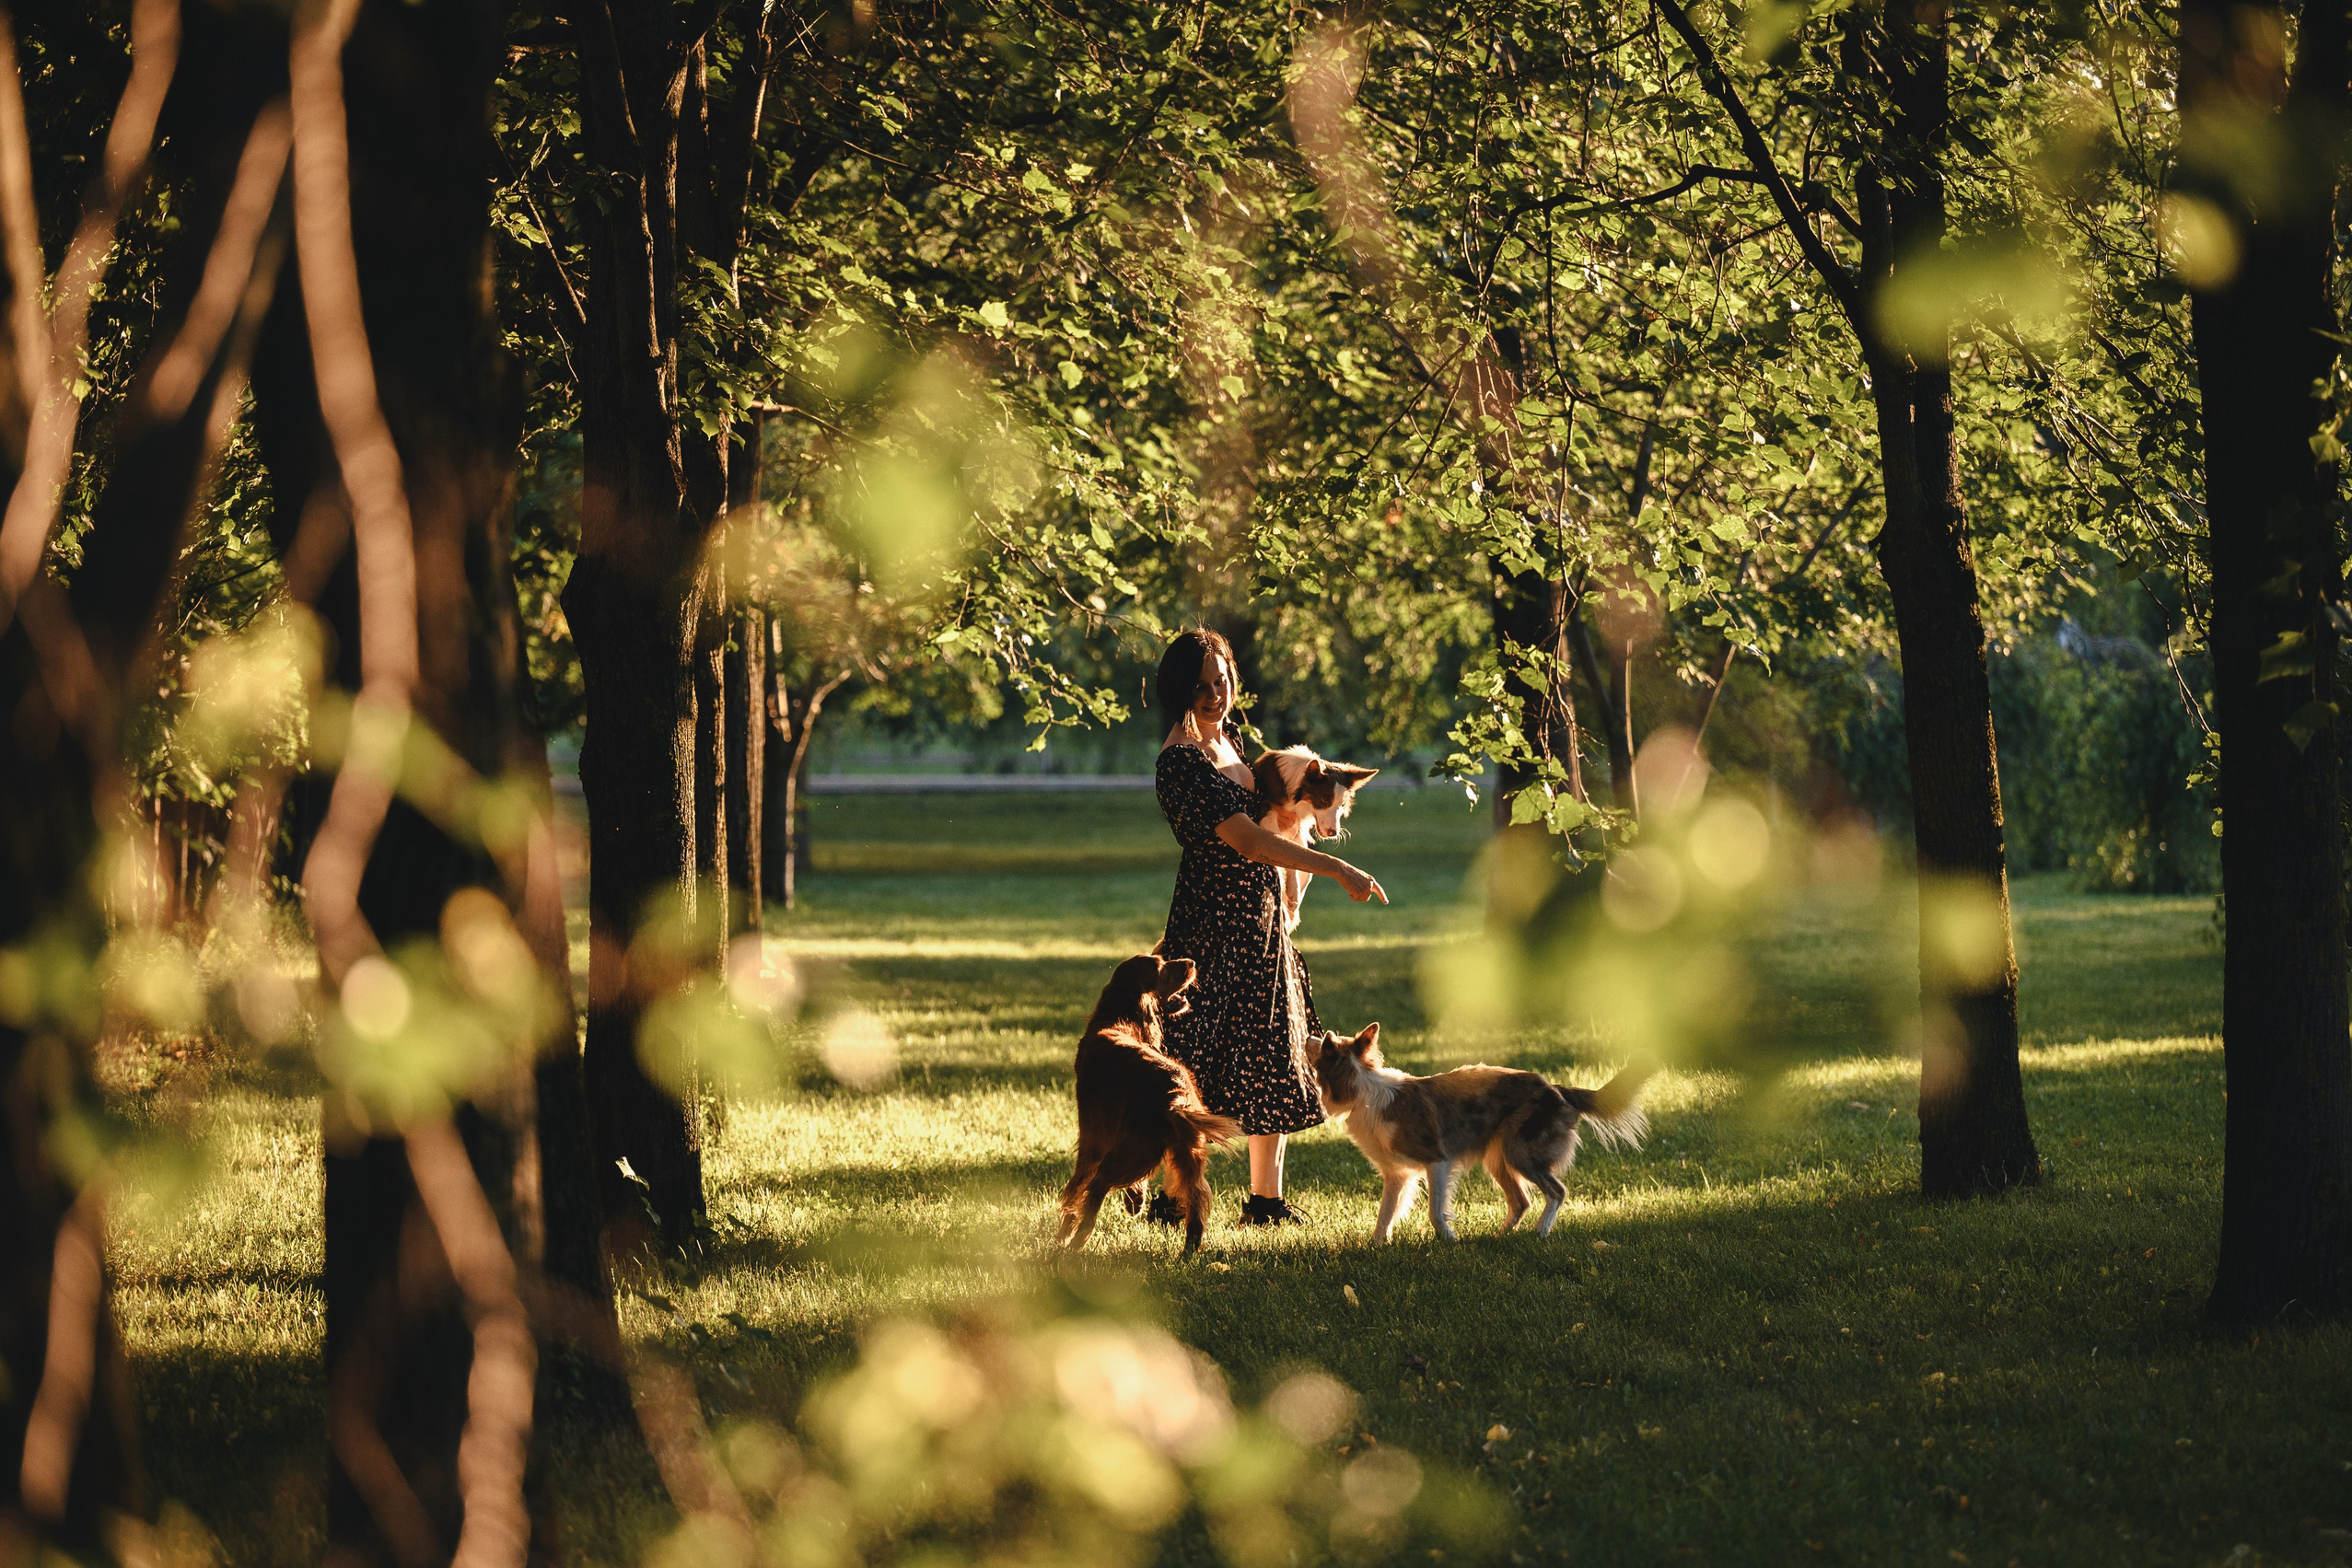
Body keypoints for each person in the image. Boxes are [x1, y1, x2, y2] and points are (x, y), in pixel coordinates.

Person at [1152, 629, 1387, 1225]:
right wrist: (1336, 867)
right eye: (1201, 685)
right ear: (1179, 688)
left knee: (1274, 1049)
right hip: (1209, 929)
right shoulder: (1179, 761)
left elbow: (1284, 808)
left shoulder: (1231, 742)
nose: (1214, 694)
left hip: (1261, 924)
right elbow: (1250, 842)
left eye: (1221, 680)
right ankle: (1173, 1196)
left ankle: (1265, 1202)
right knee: (1191, 1061)